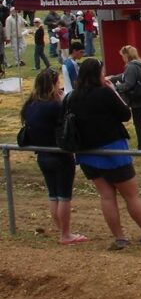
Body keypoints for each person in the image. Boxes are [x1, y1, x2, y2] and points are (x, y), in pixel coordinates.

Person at [69, 58, 141, 248]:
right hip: (113, 151)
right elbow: (126, 115)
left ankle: (119, 237)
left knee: (106, 197)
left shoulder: (73, 96)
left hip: (87, 154)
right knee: (131, 196)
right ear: (96, 74)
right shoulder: (104, 93)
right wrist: (113, 90)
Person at [20, 68, 87, 244]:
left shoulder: (30, 105)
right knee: (64, 196)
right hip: (60, 155)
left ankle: (62, 231)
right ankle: (65, 234)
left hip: (42, 155)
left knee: (53, 195)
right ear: (53, 84)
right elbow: (67, 123)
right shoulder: (55, 105)